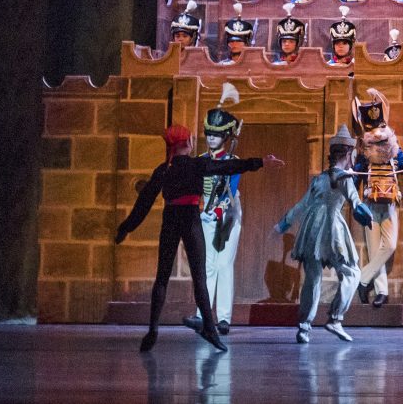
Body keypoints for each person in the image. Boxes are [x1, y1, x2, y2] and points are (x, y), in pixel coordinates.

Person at [113, 124, 280, 352]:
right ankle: (210, 330)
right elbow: (230, 166)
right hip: (190, 220)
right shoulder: (196, 165)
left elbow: (144, 202)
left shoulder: (164, 170)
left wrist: (126, 227)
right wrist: (260, 162)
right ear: (189, 144)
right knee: (199, 278)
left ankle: (153, 330)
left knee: (162, 277)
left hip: (171, 219)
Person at [276, 127, 376, 342]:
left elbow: (302, 205)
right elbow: (356, 204)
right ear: (348, 154)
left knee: (312, 278)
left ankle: (304, 327)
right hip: (332, 228)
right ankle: (335, 318)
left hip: (312, 228)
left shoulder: (319, 178)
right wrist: (368, 217)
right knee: (351, 273)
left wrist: (284, 224)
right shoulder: (345, 179)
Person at [349, 82, 403, 308]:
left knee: (389, 246)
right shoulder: (364, 155)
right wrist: (352, 198)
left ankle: (362, 281)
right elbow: (356, 177)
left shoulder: (394, 151)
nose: (379, 135)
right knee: (375, 249)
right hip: (370, 205)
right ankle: (381, 292)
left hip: (390, 203)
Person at [181, 90, 248, 338]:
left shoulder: (233, 159)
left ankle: (223, 319)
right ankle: (202, 315)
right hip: (205, 214)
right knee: (207, 265)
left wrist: (217, 210)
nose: (211, 138)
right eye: (209, 133)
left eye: (217, 135)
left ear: (226, 136)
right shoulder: (199, 160)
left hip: (228, 214)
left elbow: (231, 189)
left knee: (223, 264)